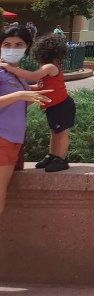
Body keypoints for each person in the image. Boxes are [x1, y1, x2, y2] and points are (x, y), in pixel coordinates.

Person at [1, 33, 76, 172]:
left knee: (61, 132)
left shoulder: (50, 67)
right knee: (54, 131)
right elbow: (41, 86)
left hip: (61, 105)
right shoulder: (47, 67)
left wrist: (11, 69)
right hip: (53, 106)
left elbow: (32, 76)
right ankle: (53, 155)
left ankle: (61, 158)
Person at [1, 27, 53, 215]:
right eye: (7, 44)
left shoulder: (15, 74)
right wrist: (19, 96)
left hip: (13, 141)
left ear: (27, 47)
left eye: (18, 45)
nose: (12, 48)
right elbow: (16, 97)